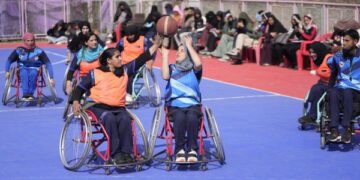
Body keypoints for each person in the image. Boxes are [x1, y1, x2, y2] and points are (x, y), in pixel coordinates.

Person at [71, 36, 162, 164]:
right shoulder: (95, 73)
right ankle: (115, 154)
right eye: (117, 57)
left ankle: (126, 152)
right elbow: (80, 88)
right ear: (109, 60)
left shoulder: (124, 70)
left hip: (118, 108)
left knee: (125, 119)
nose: (121, 58)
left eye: (120, 56)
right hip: (97, 106)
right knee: (109, 118)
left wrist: (156, 45)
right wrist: (75, 101)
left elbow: (142, 58)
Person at [160, 34, 202, 163]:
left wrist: (189, 45)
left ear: (188, 54)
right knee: (179, 117)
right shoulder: (172, 69)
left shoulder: (194, 71)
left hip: (192, 105)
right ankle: (179, 150)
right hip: (175, 105)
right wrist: (165, 56)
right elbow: (165, 76)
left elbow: (198, 63)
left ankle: (192, 149)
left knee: (191, 117)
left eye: (182, 51)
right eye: (177, 50)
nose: (178, 52)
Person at [327, 29, 360, 143]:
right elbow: (333, 75)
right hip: (340, 88)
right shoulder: (337, 56)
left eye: (347, 40)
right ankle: (334, 129)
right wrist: (329, 90)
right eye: (343, 40)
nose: (343, 43)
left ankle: (347, 128)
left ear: (355, 41)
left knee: (347, 92)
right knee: (333, 92)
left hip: (356, 91)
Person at [5, 32, 55, 101]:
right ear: (24, 41)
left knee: (33, 73)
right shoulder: (19, 50)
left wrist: (51, 77)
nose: (30, 42)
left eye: (32, 40)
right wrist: (7, 71)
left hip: (35, 69)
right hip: (22, 68)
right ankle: (25, 94)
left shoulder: (38, 51)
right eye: (28, 41)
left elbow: (48, 63)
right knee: (24, 73)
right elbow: (9, 60)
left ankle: (30, 94)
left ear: (34, 41)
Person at [117, 24, 157, 103]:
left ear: (135, 33)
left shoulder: (144, 40)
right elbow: (116, 51)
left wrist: (151, 62)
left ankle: (129, 94)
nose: (129, 37)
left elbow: (152, 52)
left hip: (138, 66)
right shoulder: (123, 41)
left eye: (131, 35)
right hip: (124, 64)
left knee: (129, 75)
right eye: (127, 35)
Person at [298, 42, 332, 125]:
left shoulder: (330, 59)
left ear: (319, 51)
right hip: (324, 83)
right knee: (315, 88)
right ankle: (313, 113)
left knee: (318, 89)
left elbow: (330, 73)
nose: (311, 54)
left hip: (333, 84)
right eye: (310, 52)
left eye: (313, 52)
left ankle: (313, 116)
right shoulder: (320, 59)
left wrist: (317, 72)